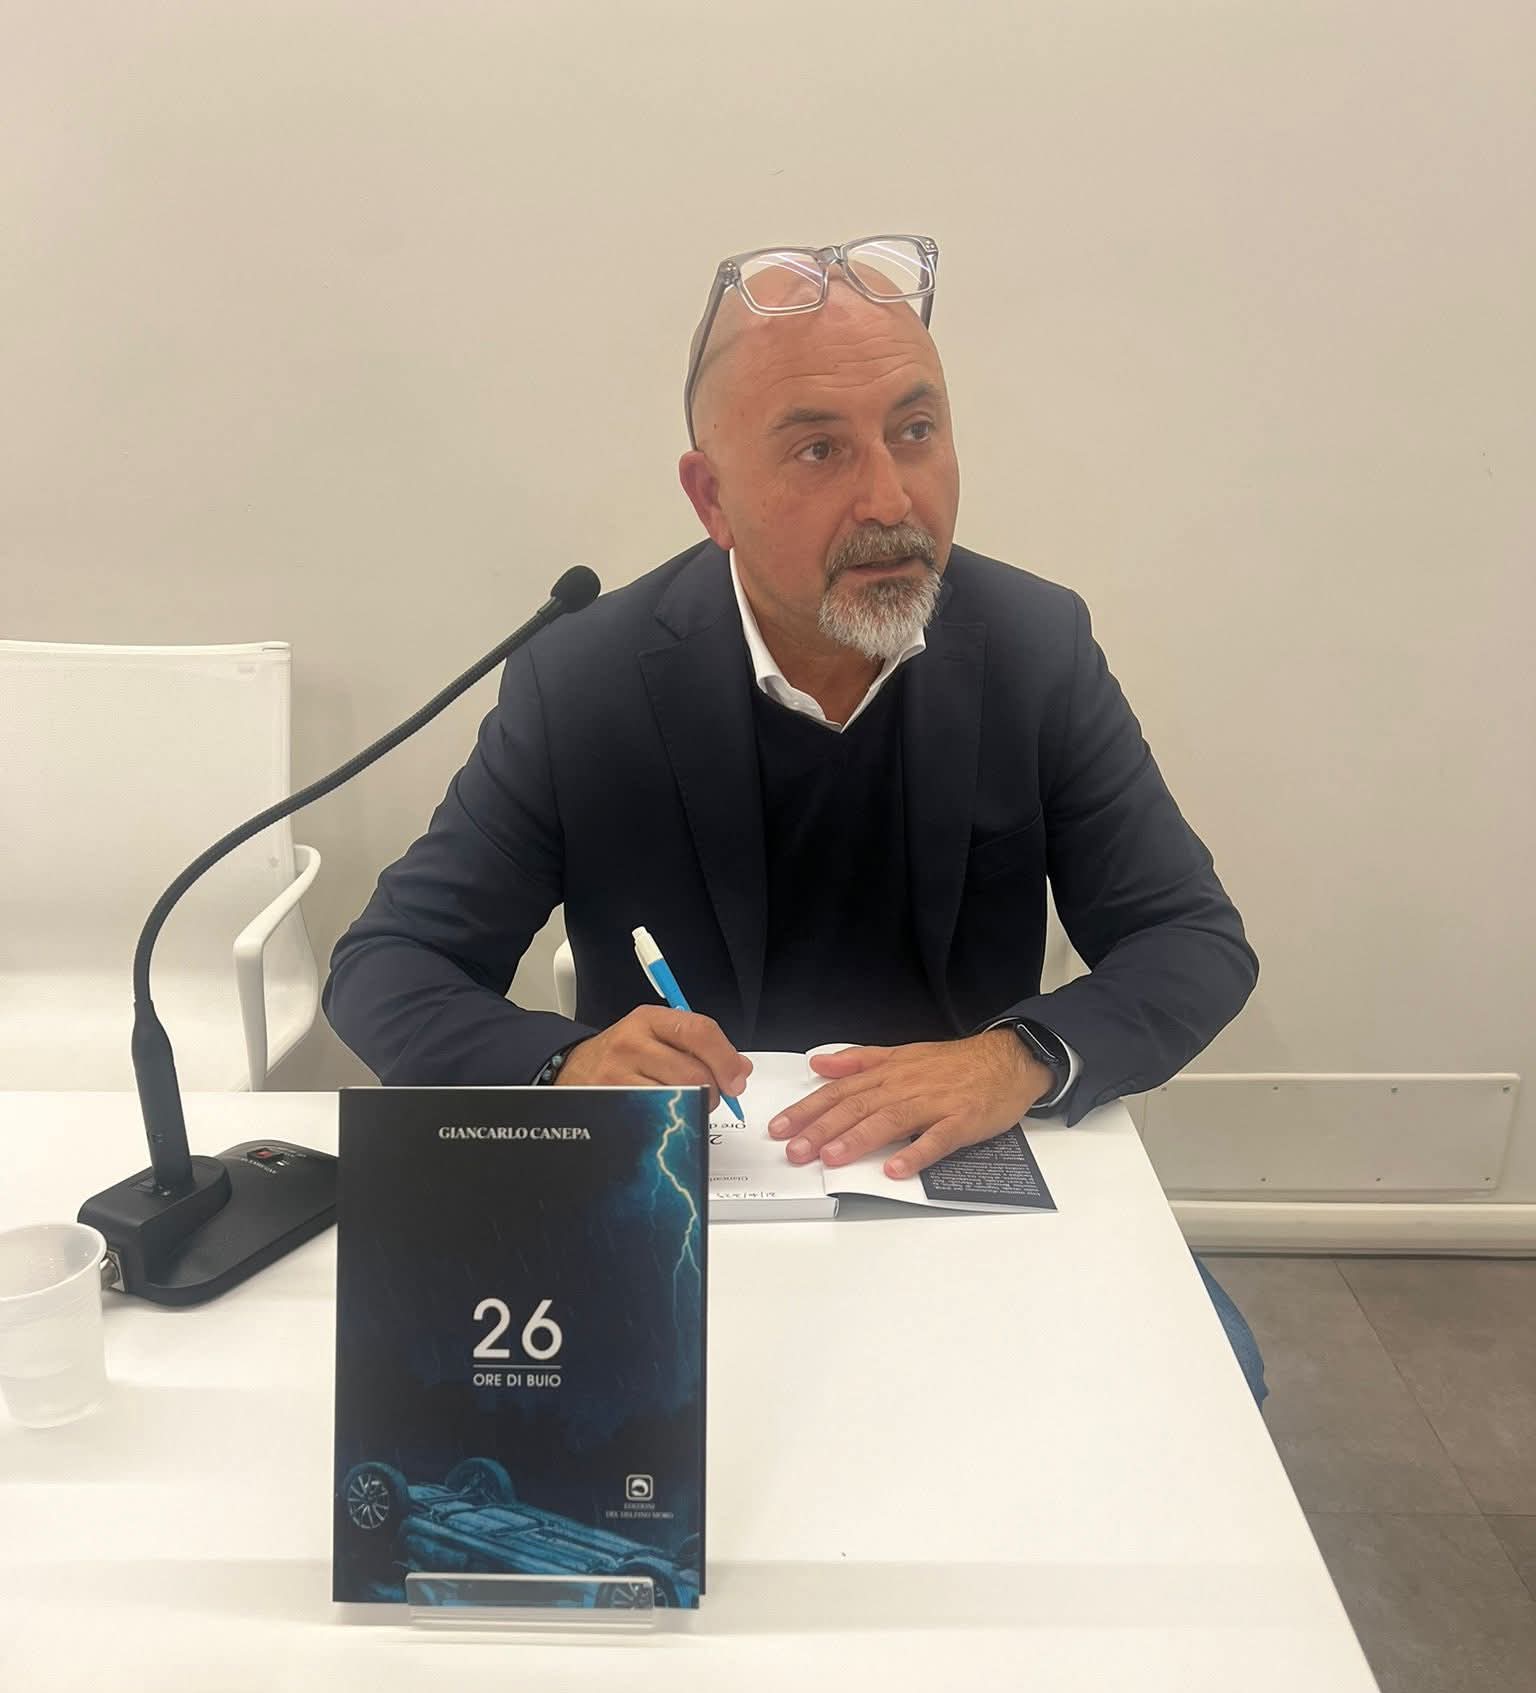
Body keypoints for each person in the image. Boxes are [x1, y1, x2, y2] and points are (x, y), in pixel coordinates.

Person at [326, 236, 1259, 1372]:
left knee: (1215, 1382)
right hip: (690, 1200)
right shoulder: (587, 680)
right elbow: (387, 965)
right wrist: (563, 1068)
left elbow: (1192, 939)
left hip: (958, 1173)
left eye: (915, 431)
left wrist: (1016, 1055)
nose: (892, 499)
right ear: (711, 497)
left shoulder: (1034, 647)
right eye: (819, 449)